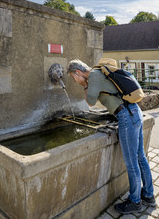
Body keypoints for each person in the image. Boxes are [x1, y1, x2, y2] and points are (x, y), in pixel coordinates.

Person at [67, 59, 156, 215]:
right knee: (140, 157)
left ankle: (135, 201)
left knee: (131, 161)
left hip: (126, 117)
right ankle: (148, 195)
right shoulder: (100, 71)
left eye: (73, 78)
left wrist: (84, 85)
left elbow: (90, 102)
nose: (74, 81)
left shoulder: (93, 76)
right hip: (134, 112)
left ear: (78, 72)